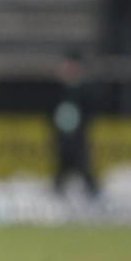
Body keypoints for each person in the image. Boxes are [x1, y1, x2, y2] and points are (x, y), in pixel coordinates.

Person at [52, 50, 98, 197]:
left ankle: (95, 199)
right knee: (61, 171)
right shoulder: (58, 89)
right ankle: (57, 200)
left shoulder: (85, 90)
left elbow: (89, 113)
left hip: (79, 138)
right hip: (62, 138)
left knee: (84, 169)